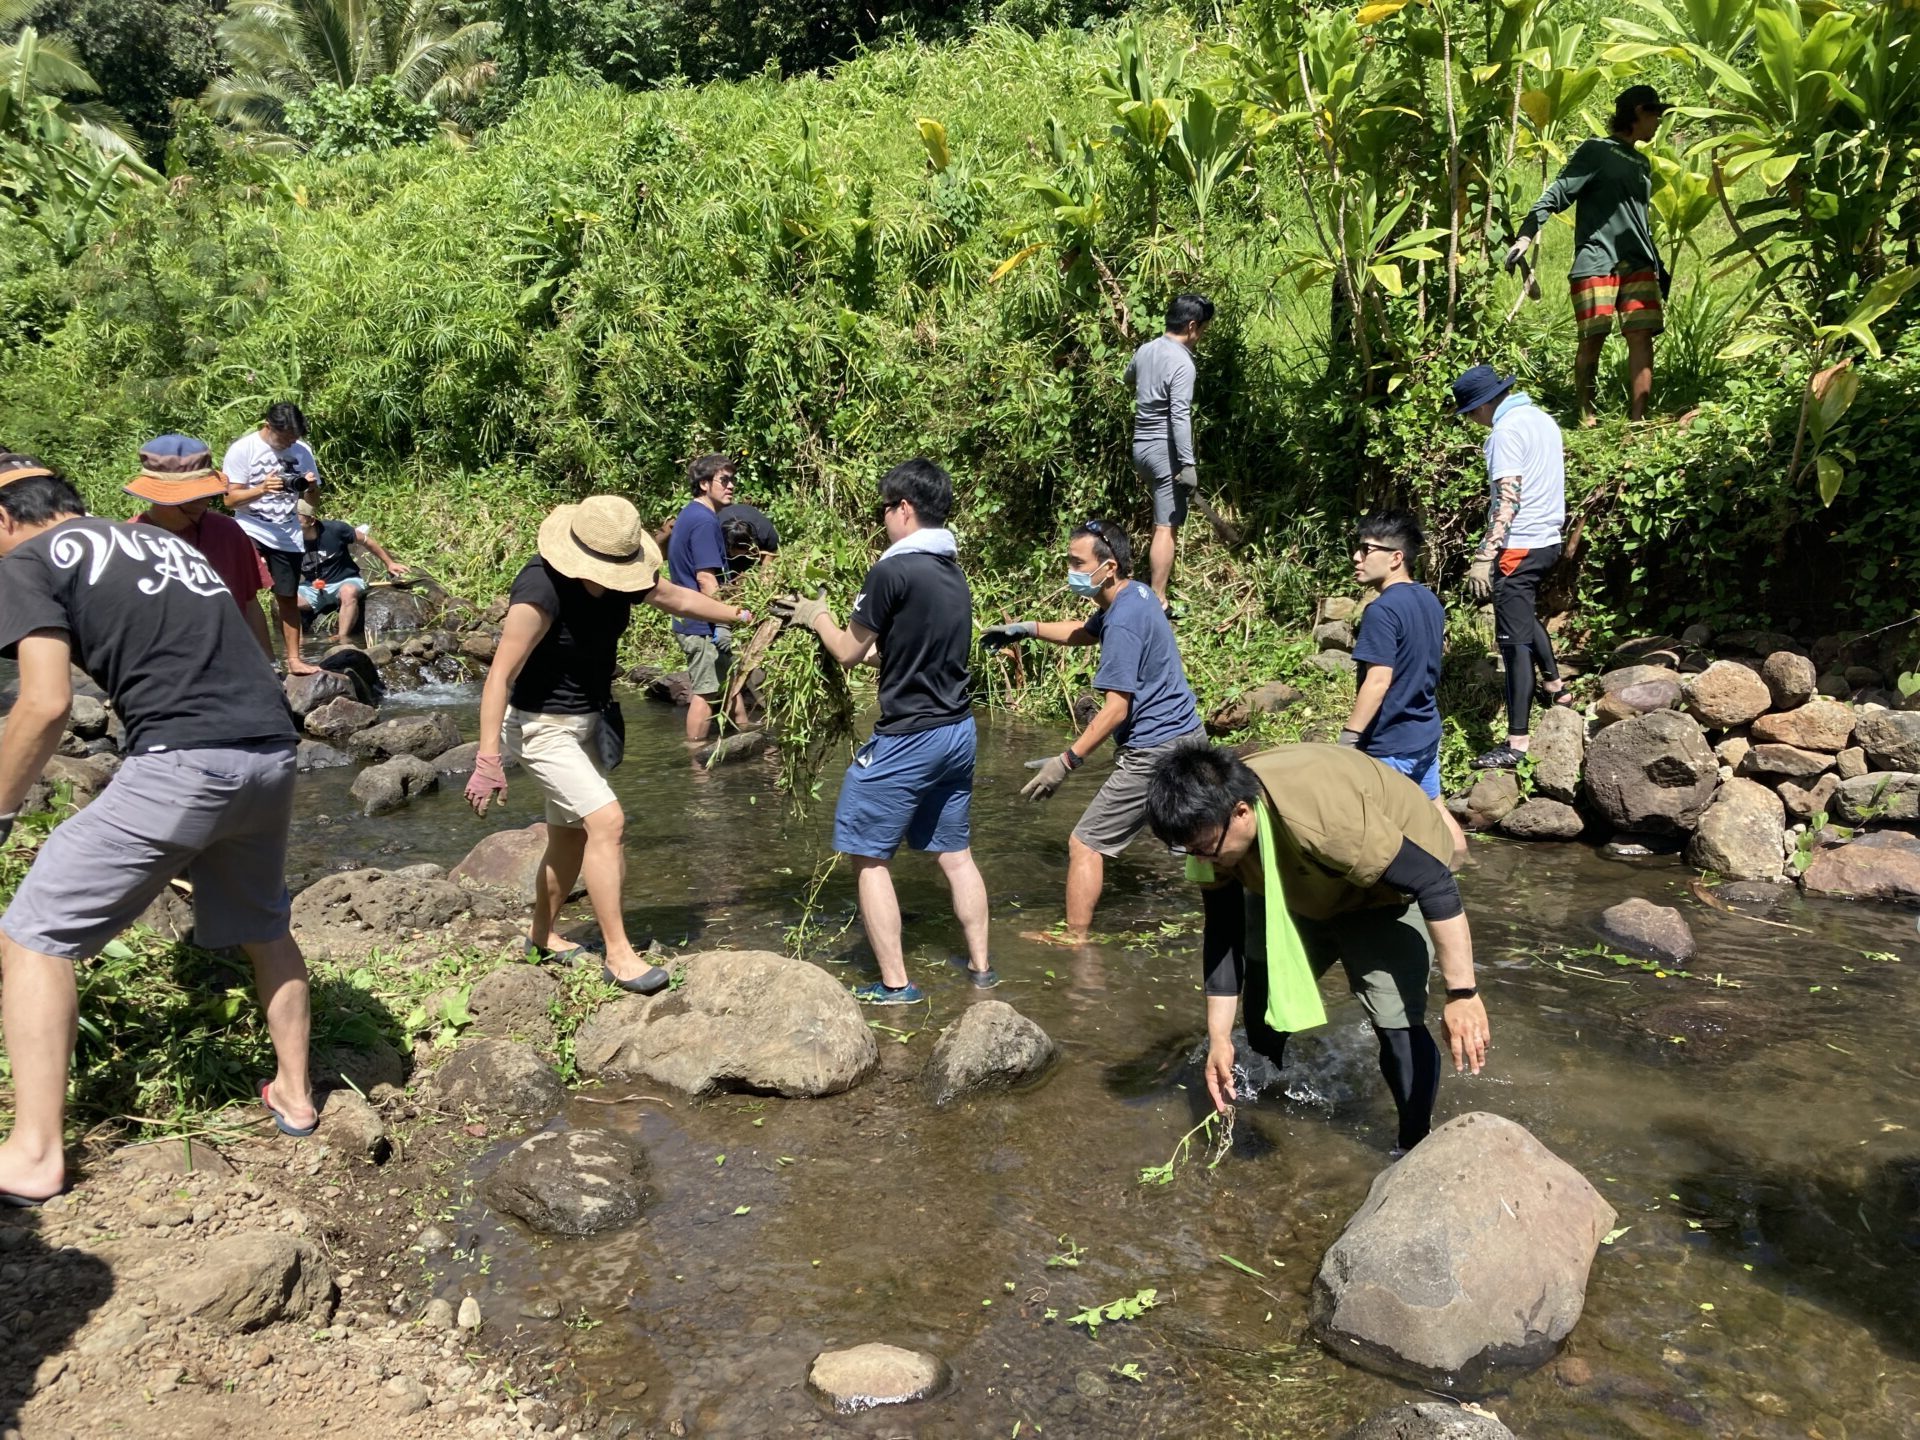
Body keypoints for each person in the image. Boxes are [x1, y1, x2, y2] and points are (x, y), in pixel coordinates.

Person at [0, 457, 315, 1203]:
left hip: (182, 760)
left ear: (4, 519)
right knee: (264, 924)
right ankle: (296, 1096)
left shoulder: (28, 562)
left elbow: (44, 703)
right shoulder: (161, 542)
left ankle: (34, 1153)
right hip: (271, 751)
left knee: (34, 934)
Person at [464, 495, 752, 993]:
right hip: (540, 727)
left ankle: (541, 936)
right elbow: (499, 678)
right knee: (608, 822)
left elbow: (679, 599)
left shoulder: (625, 577)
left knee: (569, 837)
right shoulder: (539, 589)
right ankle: (619, 956)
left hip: (589, 721)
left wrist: (741, 614)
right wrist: (488, 757)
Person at [1144, 743, 1490, 1156]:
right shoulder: (1208, 834)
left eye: (1204, 849)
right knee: (1263, 1008)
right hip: (1295, 882)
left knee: (1396, 1021)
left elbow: (1434, 882)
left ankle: (1412, 1147)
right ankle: (1271, 1085)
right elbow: (1223, 930)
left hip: (1385, 890)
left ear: (1241, 813)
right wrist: (1219, 1037)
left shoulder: (1326, 821)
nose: (1200, 861)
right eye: (1187, 851)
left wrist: (1462, 993)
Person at [773, 459, 994, 1002]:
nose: (883, 520)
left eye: (885, 509)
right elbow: (903, 653)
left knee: (867, 854)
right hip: (957, 732)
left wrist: (815, 616)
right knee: (956, 854)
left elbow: (848, 652)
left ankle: (897, 985)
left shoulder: (892, 571)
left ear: (904, 509)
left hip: (909, 737)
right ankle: (981, 969)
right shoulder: (952, 572)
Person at [980, 518, 1205, 944]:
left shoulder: (1122, 621)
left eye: (1077, 563)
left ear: (1109, 566)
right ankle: (1208, 916)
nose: (1072, 571)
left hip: (1155, 750)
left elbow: (1116, 710)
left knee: (1086, 843)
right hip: (1189, 735)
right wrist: (1028, 629)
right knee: (1199, 837)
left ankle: (1075, 939)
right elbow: (1085, 632)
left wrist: (1065, 762)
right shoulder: (1136, 596)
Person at [1506, 85, 1672, 424]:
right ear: (1639, 112)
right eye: (1656, 114)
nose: (1659, 122)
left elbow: (1637, 219)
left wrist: (1659, 264)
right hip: (1597, 258)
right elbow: (1558, 192)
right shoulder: (1596, 150)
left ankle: (1638, 420)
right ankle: (1586, 413)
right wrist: (1526, 235)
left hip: (1639, 261)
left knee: (1641, 336)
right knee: (1593, 335)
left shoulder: (1643, 162)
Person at [1452, 364, 1572, 769]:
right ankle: (1557, 689)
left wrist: (1485, 555)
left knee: (1513, 644)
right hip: (1548, 541)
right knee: (1521, 615)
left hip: (1518, 545)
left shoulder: (1504, 433)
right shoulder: (1542, 419)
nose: (1472, 421)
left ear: (1482, 406)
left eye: (1470, 413)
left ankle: (1516, 744)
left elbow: (1508, 498)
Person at [1339, 510, 1466, 859]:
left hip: (1390, 743)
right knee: (1434, 808)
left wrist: (1349, 739)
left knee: (1371, 832)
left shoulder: (1381, 611)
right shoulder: (1429, 600)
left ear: (1396, 558)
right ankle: (1461, 866)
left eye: (1366, 549)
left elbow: (1379, 680)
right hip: (1424, 732)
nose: (1357, 557)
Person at [125, 434, 275, 662]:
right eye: (189, 498)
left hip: (231, 663)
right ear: (157, 496)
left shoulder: (228, 531)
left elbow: (250, 603)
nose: (202, 502)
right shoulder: (129, 542)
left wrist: (271, 666)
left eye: (205, 493)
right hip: (162, 667)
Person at [1124, 292, 1214, 606]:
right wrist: (1187, 464)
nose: (1201, 336)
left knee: (1161, 521)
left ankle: (1154, 592)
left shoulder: (1145, 349)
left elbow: (1128, 377)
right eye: (1203, 329)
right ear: (1192, 326)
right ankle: (1158, 599)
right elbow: (1179, 415)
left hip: (1141, 448)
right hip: (1165, 452)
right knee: (1166, 527)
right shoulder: (1183, 363)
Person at [225, 401, 320, 676]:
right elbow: (230, 499)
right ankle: (256, 658)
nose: (290, 443)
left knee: (287, 596)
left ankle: (294, 660)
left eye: (295, 437)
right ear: (268, 426)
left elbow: (313, 501)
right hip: (250, 527)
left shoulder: (302, 451)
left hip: (286, 531)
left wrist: (311, 487)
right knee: (245, 590)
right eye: (286, 437)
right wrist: (263, 488)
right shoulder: (243, 449)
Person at [667, 454, 751, 742]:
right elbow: (706, 579)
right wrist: (723, 621)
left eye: (732, 480)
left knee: (729, 680)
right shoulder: (703, 521)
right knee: (706, 691)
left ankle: (746, 731)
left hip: (700, 619)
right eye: (723, 480)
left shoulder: (692, 514)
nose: (731, 486)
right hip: (701, 623)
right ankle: (695, 756)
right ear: (704, 484)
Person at [297, 500, 410, 642]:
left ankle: (342, 638)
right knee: (288, 599)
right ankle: (298, 642)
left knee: (348, 591)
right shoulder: (288, 540)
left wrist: (390, 563)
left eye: (297, 520)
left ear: (311, 520)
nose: (292, 525)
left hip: (344, 581)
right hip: (313, 587)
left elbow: (366, 541)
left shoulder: (335, 529)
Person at [717, 498, 780, 579]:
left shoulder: (766, 534)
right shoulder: (715, 530)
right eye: (730, 551)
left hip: (754, 532)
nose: (732, 554)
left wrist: (764, 577)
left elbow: (770, 556)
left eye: (735, 552)